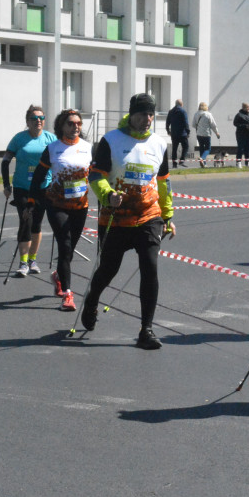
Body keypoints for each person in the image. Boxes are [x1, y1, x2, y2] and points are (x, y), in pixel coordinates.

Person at [80, 93, 175, 350]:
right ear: (131, 114)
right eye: (142, 114)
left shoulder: (159, 144)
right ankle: (92, 300)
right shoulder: (110, 140)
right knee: (108, 269)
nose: (147, 119)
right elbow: (95, 177)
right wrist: (108, 194)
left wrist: (168, 215)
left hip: (148, 217)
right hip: (116, 218)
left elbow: (163, 182)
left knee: (150, 267)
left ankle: (146, 329)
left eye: (151, 114)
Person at [28, 109, 93, 312]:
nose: (75, 127)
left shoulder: (88, 148)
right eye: (71, 123)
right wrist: (31, 200)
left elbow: (100, 174)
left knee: (70, 249)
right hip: (56, 204)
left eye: (78, 124)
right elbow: (39, 176)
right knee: (64, 246)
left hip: (80, 206)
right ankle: (67, 294)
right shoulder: (53, 148)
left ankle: (58, 275)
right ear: (61, 126)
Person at [1, 105, 57, 277]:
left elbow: (58, 161)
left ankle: (33, 259)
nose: (38, 121)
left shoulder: (50, 138)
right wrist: (6, 185)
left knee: (37, 224)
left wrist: (57, 182)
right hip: (22, 187)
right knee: (26, 221)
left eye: (41, 118)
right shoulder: (19, 139)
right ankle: (23, 262)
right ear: (27, 122)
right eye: (34, 119)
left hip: (43, 187)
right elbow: (5, 161)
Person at [192, 101, 220, 168]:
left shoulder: (196, 114)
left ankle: (203, 163)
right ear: (206, 107)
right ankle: (202, 158)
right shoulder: (208, 114)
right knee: (208, 149)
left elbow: (193, 125)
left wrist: (199, 127)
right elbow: (213, 125)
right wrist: (217, 133)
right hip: (206, 134)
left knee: (201, 148)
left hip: (199, 134)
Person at [165, 99, 189, 168]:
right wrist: (188, 132)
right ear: (181, 104)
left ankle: (174, 164)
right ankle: (181, 161)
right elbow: (186, 122)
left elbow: (167, 122)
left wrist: (168, 130)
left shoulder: (171, 111)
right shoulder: (183, 111)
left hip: (174, 133)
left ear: (175, 104)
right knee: (186, 146)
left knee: (174, 148)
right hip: (182, 133)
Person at [233, 102, 249, 168]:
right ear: (243, 108)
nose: (248, 108)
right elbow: (235, 123)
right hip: (241, 134)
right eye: (247, 107)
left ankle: (248, 162)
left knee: (248, 149)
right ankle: (238, 162)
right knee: (241, 148)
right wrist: (244, 126)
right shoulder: (239, 115)